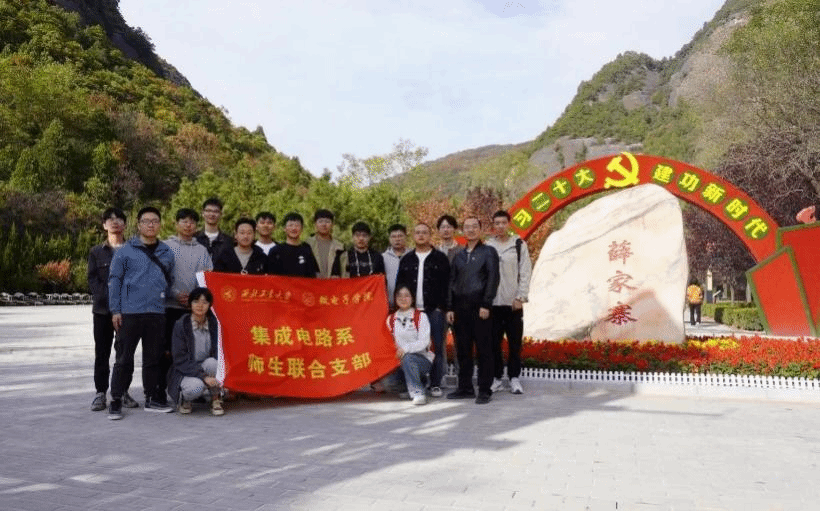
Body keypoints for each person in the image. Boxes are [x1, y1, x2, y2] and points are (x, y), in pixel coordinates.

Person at [107, 206, 176, 419]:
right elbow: (114, 281)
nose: (151, 225)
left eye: (155, 221)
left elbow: (169, 280)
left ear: (160, 224)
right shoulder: (125, 251)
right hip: (130, 313)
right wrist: (115, 310)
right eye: (146, 221)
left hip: (156, 312)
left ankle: (152, 397)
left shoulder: (166, 252)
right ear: (138, 225)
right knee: (123, 358)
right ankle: (116, 400)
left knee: (153, 359)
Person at [87, 207, 138, 412]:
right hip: (102, 311)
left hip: (128, 311)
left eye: (119, 219)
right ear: (104, 225)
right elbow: (93, 281)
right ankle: (100, 393)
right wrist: (112, 303)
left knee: (125, 353)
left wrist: (123, 304)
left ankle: (122, 391)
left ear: (125, 224)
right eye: (110, 219)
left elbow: (136, 280)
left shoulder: (134, 251)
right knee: (102, 352)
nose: (115, 222)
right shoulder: (96, 252)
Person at [446, 216, 499, 404]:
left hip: (480, 309)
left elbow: (493, 279)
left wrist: (486, 304)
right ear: (462, 231)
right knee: (463, 351)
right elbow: (452, 282)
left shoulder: (488, 252)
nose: (470, 230)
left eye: (474, 226)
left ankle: (484, 390)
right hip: (460, 310)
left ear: (480, 229)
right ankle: (465, 387)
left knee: (484, 350)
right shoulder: (459, 256)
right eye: (467, 227)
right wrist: (450, 307)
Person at [163, 208, 214, 399]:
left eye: (192, 222)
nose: (188, 225)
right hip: (170, 307)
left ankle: (197, 387)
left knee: (195, 350)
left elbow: (208, 278)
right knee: (169, 351)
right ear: (176, 224)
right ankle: (169, 389)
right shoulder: (165, 246)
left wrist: (194, 298)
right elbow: (160, 276)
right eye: (184, 221)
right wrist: (175, 294)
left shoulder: (202, 250)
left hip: (195, 310)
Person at [395, 222, 450, 398]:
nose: (421, 235)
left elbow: (448, 285)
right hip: (411, 312)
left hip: (434, 310)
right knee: (411, 347)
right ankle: (416, 382)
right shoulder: (407, 259)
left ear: (430, 235)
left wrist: (445, 308)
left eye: (424, 232)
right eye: (417, 232)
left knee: (436, 346)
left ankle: (435, 383)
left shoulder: (440, 258)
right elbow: (400, 285)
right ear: (413, 235)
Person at [486, 210, 532, 395]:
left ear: (509, 224)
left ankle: (514, 378)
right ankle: (496, 378)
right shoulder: (488, 246)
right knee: (493, 344)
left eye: (503, 223)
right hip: (493, 304)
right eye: (497, 223)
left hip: (513, 304)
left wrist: (521, 297)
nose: (500, 226)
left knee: (514, 344)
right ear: (493, 225)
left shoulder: (519, 245)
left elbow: (525, 272)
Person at [167, 287, 224, 416]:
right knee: (195, 387)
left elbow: (219, 352)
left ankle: (216, 398)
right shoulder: (181, 325)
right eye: (196, 301)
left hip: (206, 366)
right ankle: (186, 399)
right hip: (185, 370)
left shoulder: (214, 324)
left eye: (204, 302)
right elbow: (180, 359)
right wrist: (204, 377)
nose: (200, 305)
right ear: (190, 304)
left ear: (209, 305)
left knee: (214, 363)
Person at [386, 286, 434, 405]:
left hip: (421, 360)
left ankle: (418, 393)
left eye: (407, 295)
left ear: (412, 298)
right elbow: (389, 343)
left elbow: (424, 342)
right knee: (387, 381)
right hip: (400, 361)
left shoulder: (421, 317)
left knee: (408, 358)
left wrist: (405, 349)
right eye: (399, 295)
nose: (403, 298)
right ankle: (412, 386)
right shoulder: (390, 319)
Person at [268, 212, 320, 277]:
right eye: (290, 225)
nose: (294, 228)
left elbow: (314, 273)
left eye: (297, 225)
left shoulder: (306, 248)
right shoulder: (276, 250)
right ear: (284, 228)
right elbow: (270, 277)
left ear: (302, 228)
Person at [306, 209, 344, 278]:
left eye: (327, 221)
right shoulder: (307, 244)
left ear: (332, 225)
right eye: (320, 221)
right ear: (315, 224)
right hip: (311, 283)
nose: (324, 224)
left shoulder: (340, 247)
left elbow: (344, 271)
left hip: (333, 283)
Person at [383, 224, 408, 309]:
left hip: (410, 304)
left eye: (400, 236)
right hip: (390, 304)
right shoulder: (383, 258)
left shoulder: (412, 255)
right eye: (393, 237)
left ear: (405, 237)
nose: (397, 239)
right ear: (389, 239)